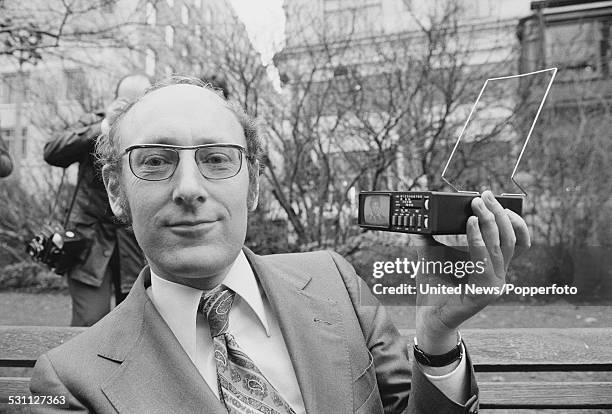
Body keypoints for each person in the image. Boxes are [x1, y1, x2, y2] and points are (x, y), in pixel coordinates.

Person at [30, 76, 530, 413]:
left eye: (218, 158)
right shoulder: (69, 380)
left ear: (253, 184)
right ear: (117, 192)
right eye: (156, 161)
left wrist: (437, 338)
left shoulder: (334, 282)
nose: (189, 187)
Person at [42, 74, 151, 326]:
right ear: (115, 100)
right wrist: (103, 127)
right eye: (127, 101)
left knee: (136, 322)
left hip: (135, 241)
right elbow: (52, 151)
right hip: (88, 242)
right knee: (89, 322)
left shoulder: (154, 130)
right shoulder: (95, 121)